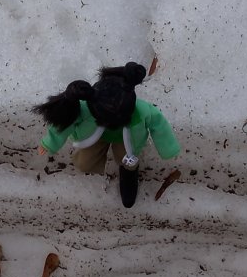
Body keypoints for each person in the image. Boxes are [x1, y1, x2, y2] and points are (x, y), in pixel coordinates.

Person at [32, 62, 180, 207]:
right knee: (84, 162)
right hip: (96, 136)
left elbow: (158, 123)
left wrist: (167, 147)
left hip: (126, 137)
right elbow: (65, 122)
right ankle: (100, 165)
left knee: (127, 159)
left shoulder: (140, 111)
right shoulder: (87, 110)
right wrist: (50, 142)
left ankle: (129, 174)